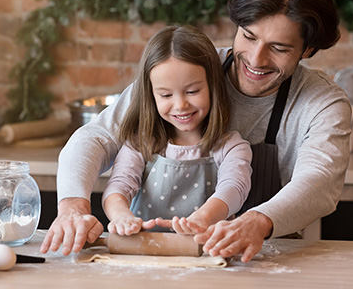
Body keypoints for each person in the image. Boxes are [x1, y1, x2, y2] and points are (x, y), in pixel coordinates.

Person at [40, 0, 351, 262]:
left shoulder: (322, 103)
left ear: (308, 50)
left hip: (267, 259)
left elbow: (318, 181)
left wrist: (258, 221)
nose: (256, 59)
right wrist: (72, 207)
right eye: (248, 36)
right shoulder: (188, 69)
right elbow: (95, 137)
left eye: (279, 48)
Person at [102, 25, 251, 236]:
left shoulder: (230, 146)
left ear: (213, 86)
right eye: (166, 95)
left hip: (205, 254)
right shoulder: (140, 143)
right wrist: (120, 216)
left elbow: (235, 187)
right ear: (151, 96)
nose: (180, 105)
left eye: (192, 91)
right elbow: (119, 185)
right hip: (144, 254)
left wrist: (203, 218)